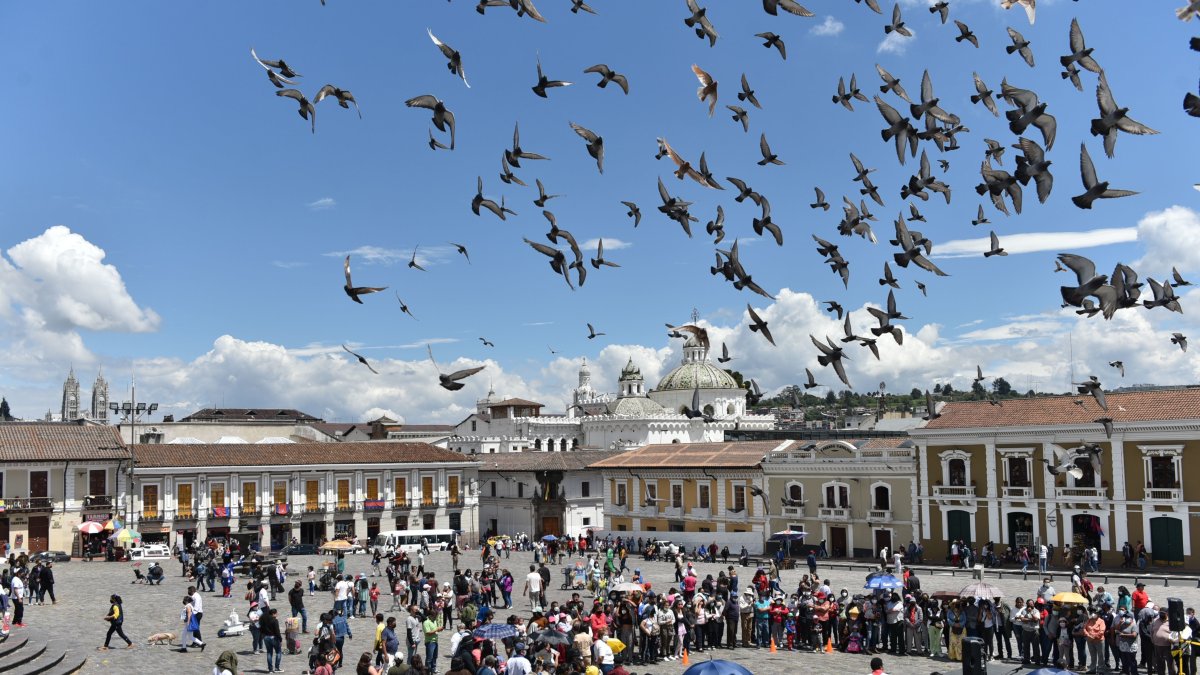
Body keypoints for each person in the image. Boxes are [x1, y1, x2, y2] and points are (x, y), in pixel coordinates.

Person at [261, 607, 283, 673]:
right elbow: (277, 631)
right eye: (276, 614)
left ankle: (270, 669)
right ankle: (277, 668)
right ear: (273, 614)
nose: (277, 615)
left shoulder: (264, 620)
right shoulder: (275, 620)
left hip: (266, 637)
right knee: (278, 652)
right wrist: (280, 639)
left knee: (269, 653)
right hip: (274, 638)